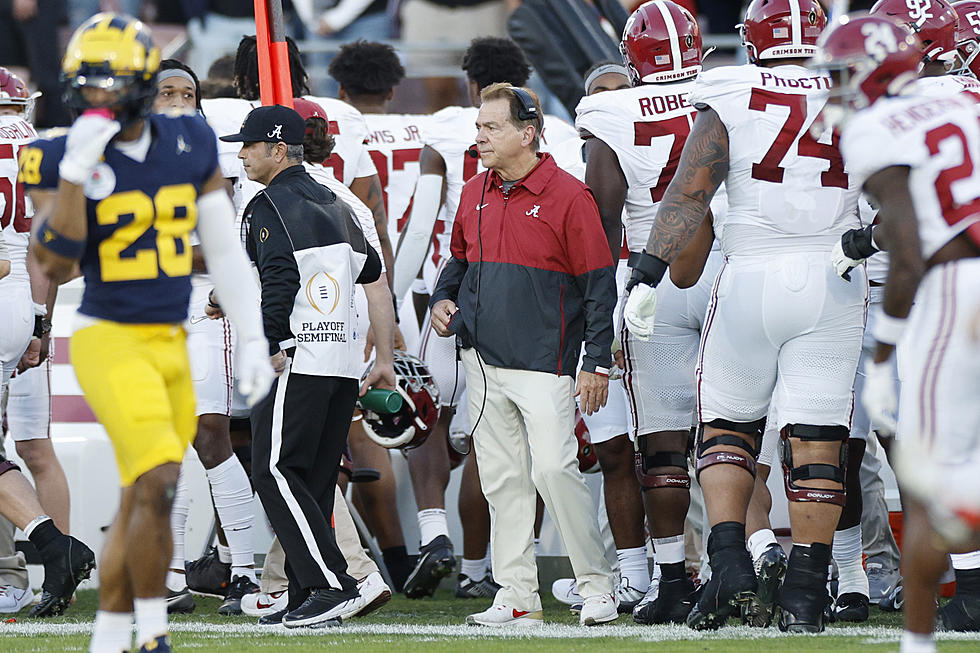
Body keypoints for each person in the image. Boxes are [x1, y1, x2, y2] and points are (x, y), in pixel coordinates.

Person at [23, 13, 274, 653]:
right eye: (88, 86)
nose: (97, 100)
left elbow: (223, 248)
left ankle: (117, 633)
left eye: (109, 86)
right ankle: (149, 633)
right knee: (162, 478)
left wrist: (251, 335)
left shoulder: (188, 138)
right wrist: (78, 175)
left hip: (173, 338)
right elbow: (52, 262)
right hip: (109, 337)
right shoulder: (55, 151)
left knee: (148, 492)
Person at [623, 0, 865, 633]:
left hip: (749, 270)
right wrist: (862, 244)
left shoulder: (728, 87)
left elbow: (693, 186)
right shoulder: (857, 86)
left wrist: (648, 271)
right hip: (833, 274)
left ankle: (730, 559)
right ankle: (808, 591)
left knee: (727, 425)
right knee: (818, 441)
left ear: (752, 40)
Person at [814, 13, 980, 653]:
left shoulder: (873, 128)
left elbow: (906, 253)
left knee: (928, 476)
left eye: (840, 74)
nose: (833, 88)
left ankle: (918, 644)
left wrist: (883, 357)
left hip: (956, 289)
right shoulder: (963, 95)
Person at [393, 37, 577, 600]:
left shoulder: (452, 128)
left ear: (474, 86)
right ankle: (491, 569)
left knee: (431, 422)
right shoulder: (561, 135)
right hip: (538, 307)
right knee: (515, 442)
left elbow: (423, 224)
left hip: (449, 303)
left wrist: (390, 310)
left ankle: (437, 535)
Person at [430, 83, 618, 627]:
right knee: (502, 480)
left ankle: (596, 587)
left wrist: (597, 361)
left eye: (490, 127)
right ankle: (517, 596)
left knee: (557, 470)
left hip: (547, 361)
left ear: (527, 133)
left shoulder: (569, 195)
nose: (479, 136)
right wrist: (445, 299)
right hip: (482, 363)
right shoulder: (473, 190)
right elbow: (459, 262)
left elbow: (598, 284)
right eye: (479, 126)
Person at [573, 2, 727, 623]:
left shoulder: (608, 110)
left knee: (662, 442)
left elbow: (604, 215)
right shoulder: (726, 89)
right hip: (725, 267)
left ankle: (670, 578)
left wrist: (604, 307)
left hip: (649, 275)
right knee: (736, 428)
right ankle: (737, 564)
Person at [220, 103, 396, 628]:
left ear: (277, 150)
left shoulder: (265, 203)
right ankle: (304, 594)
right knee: (313, 478)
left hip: (296, 354)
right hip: (341, 356)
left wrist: (271, 338)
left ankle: (330, 585)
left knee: (273, 470)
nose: (242, 153)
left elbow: (279, 279)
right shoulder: (336, 199)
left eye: (249, 145)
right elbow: (370, 267)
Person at [144, 58, 263, 618]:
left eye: (185, 91)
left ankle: (243, 569)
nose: (175, 98)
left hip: (202, 304)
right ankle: (171, 577)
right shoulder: (128, 156)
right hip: (147, 311)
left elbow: (231, 243)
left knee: (211, 433)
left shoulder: (215, 156)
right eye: (164, 91)